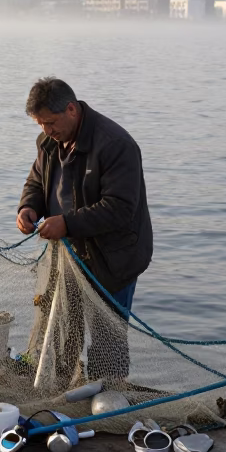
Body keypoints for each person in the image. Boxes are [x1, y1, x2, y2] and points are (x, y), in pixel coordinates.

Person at [16, 77, 152, 379]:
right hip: (68, 252)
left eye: (50, 123)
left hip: (112, 257)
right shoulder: (49, 142)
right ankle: (64, 384)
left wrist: (67, 223)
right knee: (64, 325)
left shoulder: (115, 145)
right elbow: (36, 182)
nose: (47, 131)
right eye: (40, 125)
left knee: (108, 336)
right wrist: (28, 208)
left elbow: (119, 208)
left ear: (71, 109)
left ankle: (109, 395)